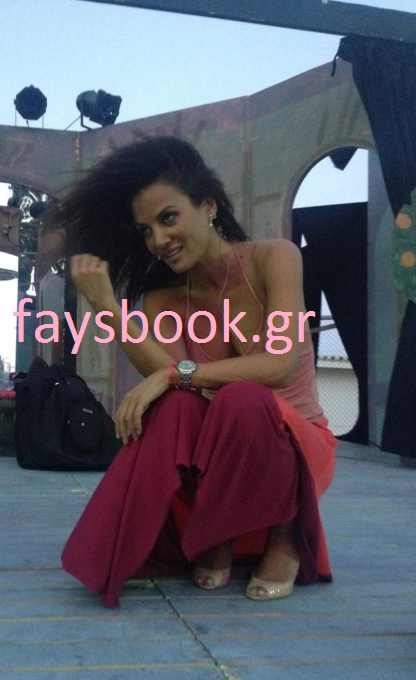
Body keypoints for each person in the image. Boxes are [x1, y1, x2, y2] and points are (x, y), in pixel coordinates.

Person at [56, 136, 337, 608]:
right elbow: (171, 380)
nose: (158, 240)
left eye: (168, 218)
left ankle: (285, 535)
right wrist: (106, 305)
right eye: (146, 230)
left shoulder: (275, 257)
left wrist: (173, 375)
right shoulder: (163, 298)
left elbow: (279, 363)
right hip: (222, 455)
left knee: (243, 396)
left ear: (208, 207)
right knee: (180, 405)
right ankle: (214, 527)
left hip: (298, 447)